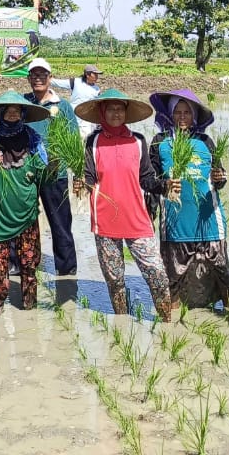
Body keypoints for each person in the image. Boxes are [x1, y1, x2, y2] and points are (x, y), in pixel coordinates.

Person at [73, 89, 172, 320]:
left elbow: (146, 178)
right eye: (111, 109)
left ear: (126, 113)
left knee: (156, 272)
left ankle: (167, 321)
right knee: (115, 278)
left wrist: (165, 185)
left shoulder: (138, 141)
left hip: (137, 218)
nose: (116, 113)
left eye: (120, 109)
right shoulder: (92, 142)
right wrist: (80, 184)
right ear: (102, 112)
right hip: (105, 221)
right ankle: (122, 322)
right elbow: (88, 177)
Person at [0, 57, 78, 276]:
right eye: (34, 75)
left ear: (50, 78)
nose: (38, 79)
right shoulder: (21, 103)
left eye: (42, 75)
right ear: (28, 79)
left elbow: (72, 140)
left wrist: (71, 169)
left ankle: (66, 271)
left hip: (54, 174)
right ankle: (18, 265)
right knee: (23, 219)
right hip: (24, 173)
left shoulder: (62, 106)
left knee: (60, 223)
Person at [149, 89, 229, 312]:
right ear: (170, 114)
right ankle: (172, 324)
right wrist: (159, 196)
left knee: (222, 271)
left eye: (187, 112)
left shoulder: (206, 142)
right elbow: (151, 180)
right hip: (176, 221)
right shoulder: (160, 142)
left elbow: (219, 176)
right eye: (178, 112)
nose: (182, 116)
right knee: (173, 276)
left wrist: (220, 178)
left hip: (209, 219)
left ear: (195, 115)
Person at [0, 92, 48, 314]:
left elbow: (42, 175)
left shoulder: (33, 139)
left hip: (26, 213)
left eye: (17, 109)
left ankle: (29, 307)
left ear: (23, 113)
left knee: (29, 263)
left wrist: (44, 170)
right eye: (8, 109)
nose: (13, 113)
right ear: (0, 113)